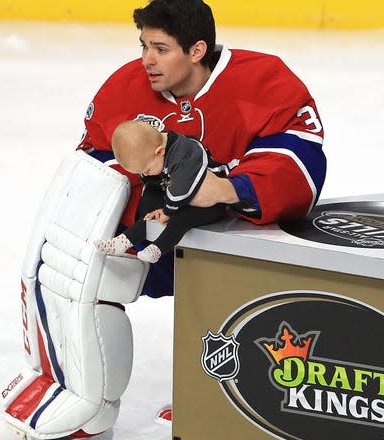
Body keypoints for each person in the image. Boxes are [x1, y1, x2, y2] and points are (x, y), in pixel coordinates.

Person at [79, 0, 327, 298]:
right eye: (143, 46)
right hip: (153, 236)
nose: (147, 60)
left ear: (196, 51)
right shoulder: (124, 86)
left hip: (238, 246)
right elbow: (93, 160)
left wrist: (228, 189)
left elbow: (300, 158)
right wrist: (153, 198)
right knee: (76, 274)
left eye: (161, 49)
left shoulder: (263, 79)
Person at [95, 120, 228, 263]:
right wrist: (154, 204)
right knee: (148, 202)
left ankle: (158, 248)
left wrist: (167, 211)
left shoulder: (185, 151)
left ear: (160, 151)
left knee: (181, 218)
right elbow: (154, 182)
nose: (146, 174)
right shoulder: (153, 156)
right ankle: (124, 241)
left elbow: (182, 189)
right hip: (176, 197)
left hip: (211, 202)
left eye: (147, 170)